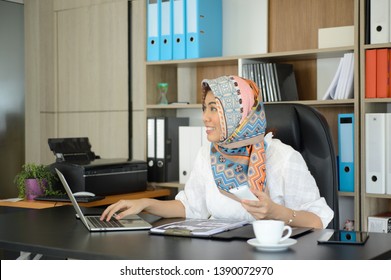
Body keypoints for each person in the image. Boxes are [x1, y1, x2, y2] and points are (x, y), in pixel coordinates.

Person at [101, 75, 334, 229]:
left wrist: (276, 212)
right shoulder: (208, 153)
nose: (205, 117)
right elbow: (190, 207)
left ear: (237, 114)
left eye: (214, 109)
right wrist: (145, 203)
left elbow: (319, 220)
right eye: (205, 108)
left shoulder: (283, 158)